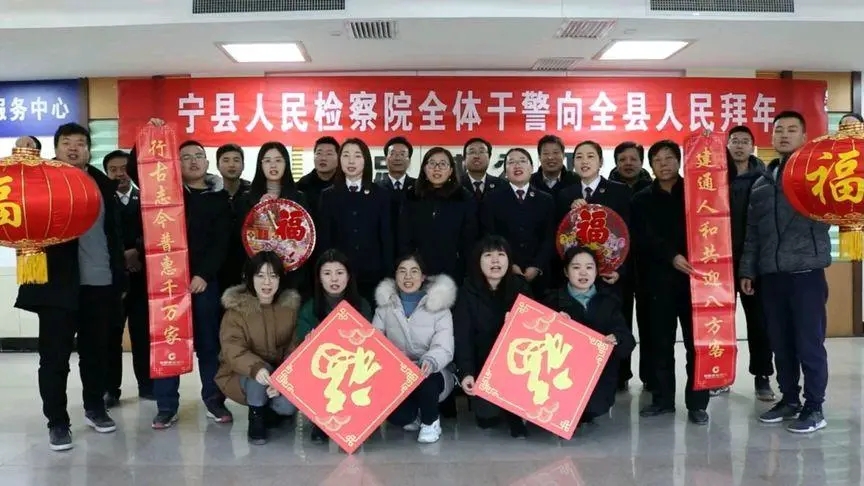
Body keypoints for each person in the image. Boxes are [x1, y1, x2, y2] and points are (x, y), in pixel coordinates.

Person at [15, 123, 127, 451]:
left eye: (81, 143)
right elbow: (15, 192)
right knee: (54, 359)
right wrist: (24, 152)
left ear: (89, 150)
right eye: (67, 143)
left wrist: (118, 277)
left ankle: (95, 407)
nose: (74, 148)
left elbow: (113, 234)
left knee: (96, 353)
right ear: (56, 148)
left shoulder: (102, 183)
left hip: (99, 282)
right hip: (56, 286)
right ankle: (57, 422)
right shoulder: (40, 179)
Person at [127, 134, 234, 429]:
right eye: (185, 157)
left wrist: (204, 274)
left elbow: (222, 242)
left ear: (207, 162)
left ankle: (213, 400)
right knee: (167, 341)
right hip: (167, 282)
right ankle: (166, 406)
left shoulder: (218, 197)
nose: (193, 161)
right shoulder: (165, 194)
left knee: (208, 344)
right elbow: (137, 169)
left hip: (203, 283)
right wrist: (150, 136)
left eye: (198, 156)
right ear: (176, 164)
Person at [739, 111, 831, 434]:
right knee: (780, 343)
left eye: (792, 130)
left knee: (809, 344)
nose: (784, 135)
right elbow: (753, 233)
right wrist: (748, 270)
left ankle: (814, 406)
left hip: (806, 273)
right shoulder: (761, 184)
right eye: (779, 130)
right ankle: (789, 399)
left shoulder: (816, 176)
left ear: (804, 137)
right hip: (772, 276)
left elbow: (836, 211)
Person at [630, 140, 710, 425]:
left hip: (694, 283)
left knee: (695, 345)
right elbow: (643, 238)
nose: (664, 164)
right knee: (659, 344)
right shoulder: (641, 199)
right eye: (658, 160)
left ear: (679, 161)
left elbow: (709, 231)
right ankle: (663, 400)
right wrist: (671, 256)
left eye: (669, 158)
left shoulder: (697, 193)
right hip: (656, 283)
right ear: (651, 165)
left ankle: (698, 403)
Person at [215, 251, 301, 445]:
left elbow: (295, 346)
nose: (267, 282)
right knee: (259, 374)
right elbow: (232, 348)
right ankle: (256, 416)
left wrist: (283, 378)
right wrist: (257, 368)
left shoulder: (290, 308)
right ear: (250, 278)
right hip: (241, 375)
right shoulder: (236, 311)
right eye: (260, 276)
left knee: (287, 406)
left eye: (273, 276)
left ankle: (271, 410)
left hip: (279, 374)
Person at [543, 246, 635, 425]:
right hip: (562, 378)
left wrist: (616, 338)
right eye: (576, 267)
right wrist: (554, 325)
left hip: (597, 378)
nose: (583, 272)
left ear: (597, 271)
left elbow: (628, 341)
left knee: (594, 408)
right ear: (566, 272)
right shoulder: (552, 300)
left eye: (589, 267)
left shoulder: (609, 301)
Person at [372, 254, 457, 444]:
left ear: (423, 276)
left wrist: (430, 361)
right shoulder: (384, 308)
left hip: (433, 371)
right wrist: (396, 364)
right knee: (398, 417)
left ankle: (431, 421)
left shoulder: (440, 308)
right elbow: (375, 344)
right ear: (395, 276)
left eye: (414, 271)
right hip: (398, 373)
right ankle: (417, 413)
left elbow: (444, 346)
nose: (408, 277)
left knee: (426, 380)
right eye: (402, 271)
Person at [453, 235, 532, 438]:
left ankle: (515, 409)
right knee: (487, 417)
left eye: (501, 255)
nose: (495, 260)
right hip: (484, 364)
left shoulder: (521, 287)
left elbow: (537, 331)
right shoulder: (467, 292)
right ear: (478, 261)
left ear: (509, 260)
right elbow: (463, 337)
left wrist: (518, 324)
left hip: (518, 365)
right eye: (488, 255)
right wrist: (467, 372)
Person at [717, 126, 774, 401]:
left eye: (744, 141)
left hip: (755, 261)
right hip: (720, 261)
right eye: (734, 141)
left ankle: (762, 377)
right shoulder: (715, 177)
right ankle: (720, 376)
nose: (739, 146)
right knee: (719, 322)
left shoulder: (764, 178)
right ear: (727, 145)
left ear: (753, 146)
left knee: (759, 322)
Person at [295, 249, 373, 443]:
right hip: (324, 368)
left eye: (339, 273)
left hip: (354, 366)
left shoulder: (362, 305)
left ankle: (359, 419)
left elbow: (371, 345)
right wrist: (308, 343)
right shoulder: (309, 308)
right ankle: (321, 422)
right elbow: (301, 347)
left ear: (348, 276)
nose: (334, 279)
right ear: (319, 278)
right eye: (327, 273)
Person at [101, 150, 152, 407]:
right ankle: (111, 388)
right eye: (113, 169)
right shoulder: (100, 199)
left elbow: (157, 229)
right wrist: (122, 256)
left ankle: (147, 385)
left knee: (143, 334)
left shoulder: (146, 197)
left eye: (124, 168)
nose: (120, 174)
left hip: (143, 277)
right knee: (111, 335)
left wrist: (137, 252)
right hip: (113, 279)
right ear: (106, 172)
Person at [318, 138, 393, 304]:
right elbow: (325, 239)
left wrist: (388, 276)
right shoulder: (329, 195)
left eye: (357, 156)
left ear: (365, 160)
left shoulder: (381, 194)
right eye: (346, 155)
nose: (351, 161)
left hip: (373, 274)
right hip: (339, 276)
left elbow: (386, 237)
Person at [234, 142, 310, 297]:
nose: (273, 165)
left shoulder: (299, 198)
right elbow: (240, 239)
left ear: (286, 164)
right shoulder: (246, 199)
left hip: (291, 275)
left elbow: (306, 239)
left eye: (278, 160)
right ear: (260, 165)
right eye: (267, 160)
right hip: (258, 274)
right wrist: (259, 212)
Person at [608, 141, 654, 393]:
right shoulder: (607, 190)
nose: (628, 163)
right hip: (618, 268)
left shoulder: (652, 188)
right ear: (616, 162)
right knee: (619, 321)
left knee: (650, 324)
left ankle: (650, 375)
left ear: (641, 161)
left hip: (647, 266)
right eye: (623, 159)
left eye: (633, 159)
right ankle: (620, 374)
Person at [480, 148, 555, 295]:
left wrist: (537, 266)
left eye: (522, 161)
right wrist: (509, 264)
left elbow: (549, 237)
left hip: (539, 275)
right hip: (504, 272)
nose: (517, 165)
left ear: (531, 168)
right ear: (505, 172)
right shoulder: (492, 199)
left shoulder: (546, 199)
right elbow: (489, 235)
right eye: (511, 162)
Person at [399, 147, 478, 284]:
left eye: (442, 164)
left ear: (451, 170)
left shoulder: (463, 197)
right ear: (424, 168)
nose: (437, 168)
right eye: (432, 163)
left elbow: (470, 239)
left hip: (454, 271)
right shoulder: (412, 196)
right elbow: (404, 237)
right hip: (418, 271)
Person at [377, 136, 416, 259]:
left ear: (409, 160)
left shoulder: (418, 188)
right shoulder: (376, 188)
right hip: (381, 252)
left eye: (402, 154)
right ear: (386, 159)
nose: (397, 158)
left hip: (412, 253)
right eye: (393, 153)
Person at [296, 136, 339, 219]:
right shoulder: (302, 186)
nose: (323, 158)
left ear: (338, 158)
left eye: (329, 154)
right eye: (319, 153)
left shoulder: (345, 185)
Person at [530, 134, 578, 199]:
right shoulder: (530, 181)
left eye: (555, 152)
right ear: (539, 157)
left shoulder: (575, 180)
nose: (550, 157)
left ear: (563, 155)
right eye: (546, 153)